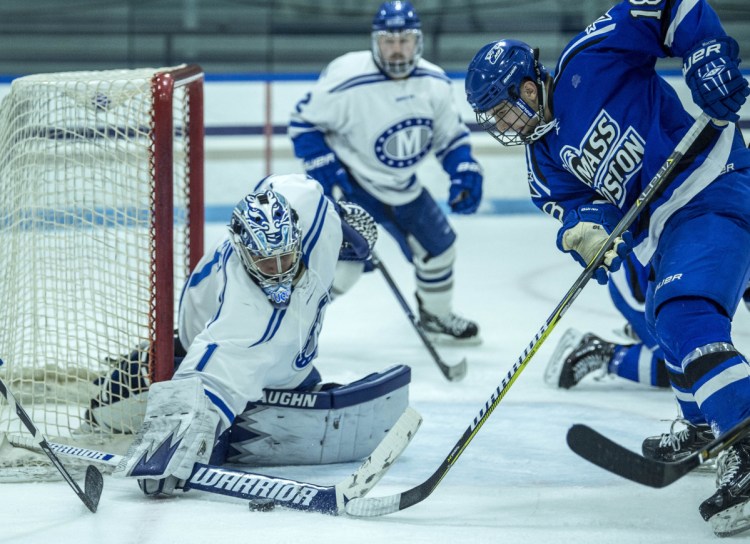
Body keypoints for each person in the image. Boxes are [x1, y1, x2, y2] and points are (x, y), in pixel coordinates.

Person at [464, 0, 750, 536]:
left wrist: (706, 53)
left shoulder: (588, 61)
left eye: (503, 110)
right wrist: (585, 233)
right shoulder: (541, 162)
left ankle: (744, 439)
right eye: (493, 120)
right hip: (666, 226)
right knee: (664, 322)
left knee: (683, 312)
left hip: (709, 182)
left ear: (528, 87)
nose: (502, 124)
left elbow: (666, 7)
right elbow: (578, 209)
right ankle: (703, 421)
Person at [109, 173, 414, 495]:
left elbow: (291, 186)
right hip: (192, 355)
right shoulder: (245, 316)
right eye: (268, 263)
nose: (281, 269)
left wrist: (335, 213)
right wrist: (164, 449)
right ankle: (137, 377)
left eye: (287, 256)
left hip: (285, 362)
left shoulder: (311, 214)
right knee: (208, 447)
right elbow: (209, 378)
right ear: (243, 250)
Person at [288, 0, 483, 345]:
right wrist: (325, 168)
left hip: (403, 187)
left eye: (404, 40)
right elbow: (303, 123)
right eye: (388, 41)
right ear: (375, 41)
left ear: (417, 42)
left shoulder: (433, 82)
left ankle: (435, 316)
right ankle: (289, 323)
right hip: (352, 185)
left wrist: (464, 170)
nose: (396, 50)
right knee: (343, 270)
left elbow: (449, 138)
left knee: (440, 251)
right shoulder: (347, 78)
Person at [545, 254, 670, 390]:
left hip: (662, 285)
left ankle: (646, 336)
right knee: (683, 365)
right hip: (640, 289)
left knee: (687, 364)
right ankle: (605, 352)